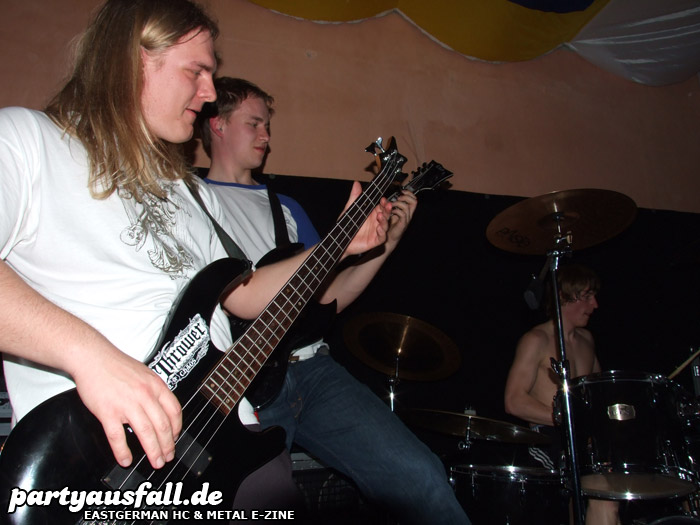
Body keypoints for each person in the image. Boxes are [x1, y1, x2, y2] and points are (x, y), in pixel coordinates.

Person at [0, 0, 391, 517]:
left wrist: (338, 245)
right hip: (101, 465)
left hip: (229, 444)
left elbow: (245, 296)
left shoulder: (191, 192)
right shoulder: (27, 141)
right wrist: (91, 358)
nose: (208, 94)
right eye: (197, 72)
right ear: (135, 60)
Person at [196, 77, 470, 524]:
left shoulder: (285, 208)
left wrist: (389, 242)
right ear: (217, 124)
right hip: (244, 382)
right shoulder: (190, 202)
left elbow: (329, 299)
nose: (266, 135)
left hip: (313, 370)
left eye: (268, 125)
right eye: (254, 123)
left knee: (421, 475)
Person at [504, 263, 619, 525]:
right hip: (548, 439)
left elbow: (599, 394)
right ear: (564, 296)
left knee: (614, 489)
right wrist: (565, 418)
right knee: (600, 496)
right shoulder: (536, 339)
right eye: (587, 296)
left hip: (583, 441)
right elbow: (513, 401)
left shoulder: (587, 340)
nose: (595, 305)